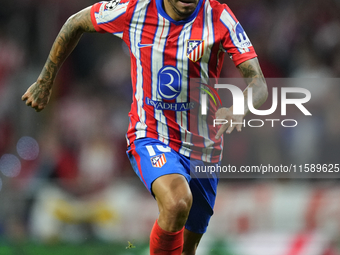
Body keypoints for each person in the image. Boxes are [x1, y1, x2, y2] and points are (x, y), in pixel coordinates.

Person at [22, 0, 268, 253]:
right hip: (151, 135)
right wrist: (45, 81)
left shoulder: (218, 16)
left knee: (187, 248)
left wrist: (240, 108)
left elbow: (258, 84)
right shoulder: (135, 10)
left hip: (203, 149)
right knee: (177, 203)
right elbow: (75, 22)